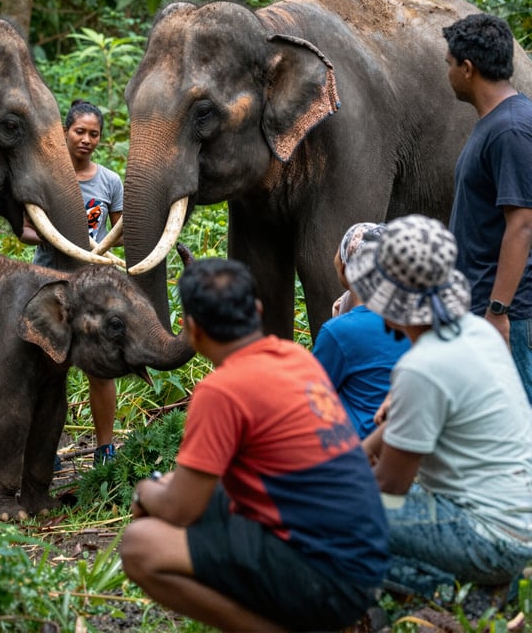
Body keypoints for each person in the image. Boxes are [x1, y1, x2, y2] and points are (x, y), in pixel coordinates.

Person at [120, 258, 389, 632]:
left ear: (192, 330)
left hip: (329, 576)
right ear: (258, 311)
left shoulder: (221, 391)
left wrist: (145, 491)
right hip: (366, 559)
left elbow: (180, 510)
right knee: (177, 491)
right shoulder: (296, 358)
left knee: (140, 544)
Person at [347, 214, 532, 600]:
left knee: (336, 517)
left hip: (488, 534)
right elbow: (399, 428)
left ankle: (457, 593)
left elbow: (389, 488)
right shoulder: (476, 332)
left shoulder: (422, 369)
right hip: (518, 521)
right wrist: (356, 457)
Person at [22, 99, 124, 465]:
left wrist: (105, 243)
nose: (86, 140)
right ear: (65, 132)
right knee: (48, 368)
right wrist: (57, 236)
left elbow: (120, 229)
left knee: (99, 366)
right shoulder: (46, 176)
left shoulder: (110, 181)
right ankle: (43, 449)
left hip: (92, 285)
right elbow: (25, 230)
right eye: (79, 131)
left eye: (94, 134)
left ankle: (105, 448)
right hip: (49, 280)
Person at [443, 13, 532, 402]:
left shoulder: (510, 129)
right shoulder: (497, 123)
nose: (446, 73)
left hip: (511, 316)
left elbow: (523, 225)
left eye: (448, 64)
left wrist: (498, 311)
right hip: (488, 309)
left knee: (519, 428)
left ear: (467, 68)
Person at [313, 222, 410, 439]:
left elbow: (314, 400)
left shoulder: (339, 331)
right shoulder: (416, 322)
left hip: (358, 447)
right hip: (409, 441)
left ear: (346, 270)